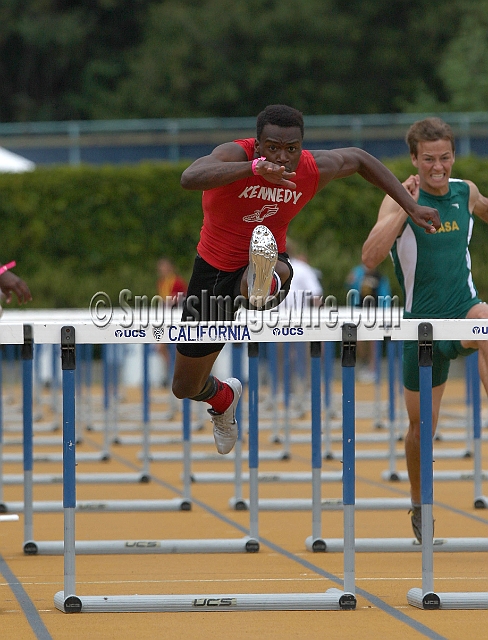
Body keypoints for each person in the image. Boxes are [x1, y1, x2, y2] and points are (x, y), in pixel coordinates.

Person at [173, 104, 440, 456]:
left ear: (302, 146)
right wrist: (252, 169)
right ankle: (224, 398)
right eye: (272, 148)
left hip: (271, 265)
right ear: (257, 145)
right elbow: (189, 178)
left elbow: (360, 159)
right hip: (210, 272)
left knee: (271, 270)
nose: (282, 158)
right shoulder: (234, 154)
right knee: (185, 386)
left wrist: (411, 206)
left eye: (291, 149)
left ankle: (261, 278)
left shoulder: (313, 168)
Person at [361, 116, 488, 542]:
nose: (439, 167)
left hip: (464, 309)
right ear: (414, 158)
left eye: (445, 157)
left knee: (486, 320)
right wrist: (403, 207)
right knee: (420, 429)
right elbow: (370, 257)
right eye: (429, 159)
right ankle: (419, 501)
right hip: (422, 326)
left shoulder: (465, 192)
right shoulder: (398, 198)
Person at [344, 263, 391, 382]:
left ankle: (372, 368)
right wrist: (350, 281)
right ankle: (364, 364)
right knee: (357, 339)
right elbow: (350, 288)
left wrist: (384, 312)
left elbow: (385, 295)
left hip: (374, 312)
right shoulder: (358, 273)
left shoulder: (380, 277)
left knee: (373, 340)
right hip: (359, 312)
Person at [156, 258, 187, 384]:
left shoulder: (177, 281)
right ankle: (172, 371)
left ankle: (178, 372)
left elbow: (185, 296)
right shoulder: (161, 282)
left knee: (177, 347)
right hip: (166, 317)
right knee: (161, 347)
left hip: (177, 317)